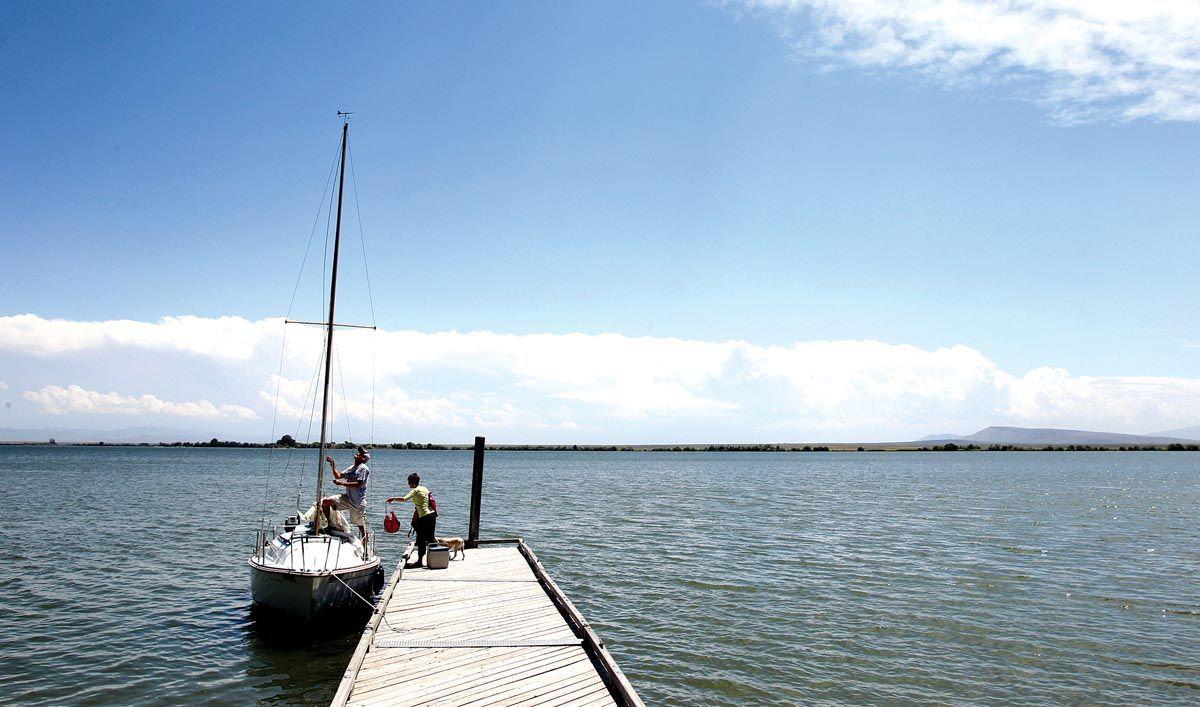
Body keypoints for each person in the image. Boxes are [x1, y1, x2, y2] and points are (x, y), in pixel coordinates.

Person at [321, 446, 371, 542]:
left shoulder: (363, 469)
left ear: (363, 458)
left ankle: (365, 543)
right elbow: (338, 475)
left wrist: (341, 483)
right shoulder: (352, 468)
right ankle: (330, 525)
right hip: (347, 498)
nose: (357, 453)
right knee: (325, 502)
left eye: (360, 453)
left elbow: (359, 484)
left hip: (357, 502)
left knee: (360, 526)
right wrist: (332, 464)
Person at [388, 473, 435, 568]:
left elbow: (404, 499)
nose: (408, 484)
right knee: (430, 538)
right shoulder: (424, 488)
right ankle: (436, 559)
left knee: (421, 539)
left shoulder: (415, 491)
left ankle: (420, 562)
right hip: (431, 515)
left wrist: (393, 499)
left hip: (424, 517)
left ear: (413, 482)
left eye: (409, 482)